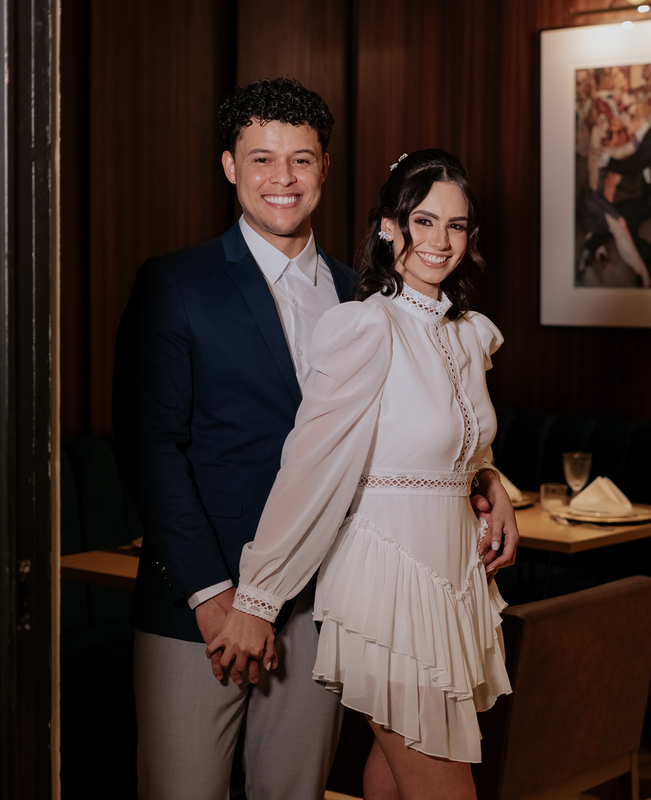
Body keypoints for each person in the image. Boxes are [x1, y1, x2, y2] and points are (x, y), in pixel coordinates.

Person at [113, 79, 517, 800]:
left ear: (325, 168)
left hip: (327, 599)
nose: (284, 178)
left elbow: (401, 431)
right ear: (230, 166)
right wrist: (219, 597)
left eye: (301, 159)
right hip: (202, 601)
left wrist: (485, 481)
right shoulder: (176, 284)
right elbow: (150, 453)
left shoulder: (364, 293)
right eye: (262, 158)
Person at [209, 149, 518, 800]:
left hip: (450, 581)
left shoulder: (467, 335)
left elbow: (455, 447)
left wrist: (492, 486)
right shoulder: (367, 327)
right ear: (388, 226)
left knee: (394, 778)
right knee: (443, 787)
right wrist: (258, 595)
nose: (440, 241)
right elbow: (309, 465)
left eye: (456, 225)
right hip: (389, 586)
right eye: (423, 221)